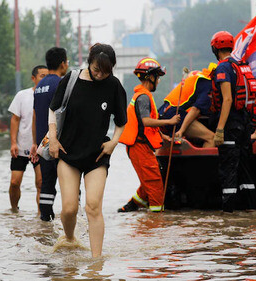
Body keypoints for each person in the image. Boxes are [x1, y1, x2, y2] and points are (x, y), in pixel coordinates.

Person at [48, 43, 127, 257]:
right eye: (96, 69)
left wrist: (114, 142)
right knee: (69, 208)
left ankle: (96, 263)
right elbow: (53, 109)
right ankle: (70, 237)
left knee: (93, 206)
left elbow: (121, 121)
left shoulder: (114, 86)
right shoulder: (71, 80)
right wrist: (53, 138)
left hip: (97, 155)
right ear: (89, 63)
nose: (100, 75)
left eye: (105, 71)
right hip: (68, 153)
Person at [117, 57, 180, 213]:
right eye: (157, 77)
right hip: (139, 147)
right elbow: (146, 121)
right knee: (154, 182)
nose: (158, 81)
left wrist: (164, 137)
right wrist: (169, 122)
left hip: (140, 145)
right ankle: (155, 222)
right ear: (150, 77)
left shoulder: (143, 95)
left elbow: (146, 127)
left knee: (149, 179)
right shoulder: (143, 97)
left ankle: (132, 205)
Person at [209, 31, 256, 212]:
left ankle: (229, 216)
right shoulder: (240, 65)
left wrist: (219, 129)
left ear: (215, 48)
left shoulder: (223, 68)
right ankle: (250, 209)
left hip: (231, 124)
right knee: (245, 168)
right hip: (245, 123)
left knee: (229, 169)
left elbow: (227, 99)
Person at [30, 47, 68, 221]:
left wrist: (35, 142)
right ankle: (74, 219)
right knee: (69, 181)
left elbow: (36, 115)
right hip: (59, 142)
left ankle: (45, 220)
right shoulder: (61, 83)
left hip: (42, 143)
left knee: (47, 183)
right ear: (62, 63)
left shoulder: (39, 86)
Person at [8, 65, 48, 212]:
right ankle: (14, 210)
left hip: (40, 148)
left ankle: (40, 217)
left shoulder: (49, 95)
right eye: (41, 76)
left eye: (47, 76)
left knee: (40, 182)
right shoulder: (22, 95)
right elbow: (15, 119)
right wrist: (13, 143)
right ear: (33, 78)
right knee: (14, 182)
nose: (44, 79)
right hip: (21, 146)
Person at [171, 63, 216, 147]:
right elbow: (195, 110)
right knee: (212, 138)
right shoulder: (206, 86)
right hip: (177, 116)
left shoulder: (190, 88)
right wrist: (181, 130)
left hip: (171, 114)